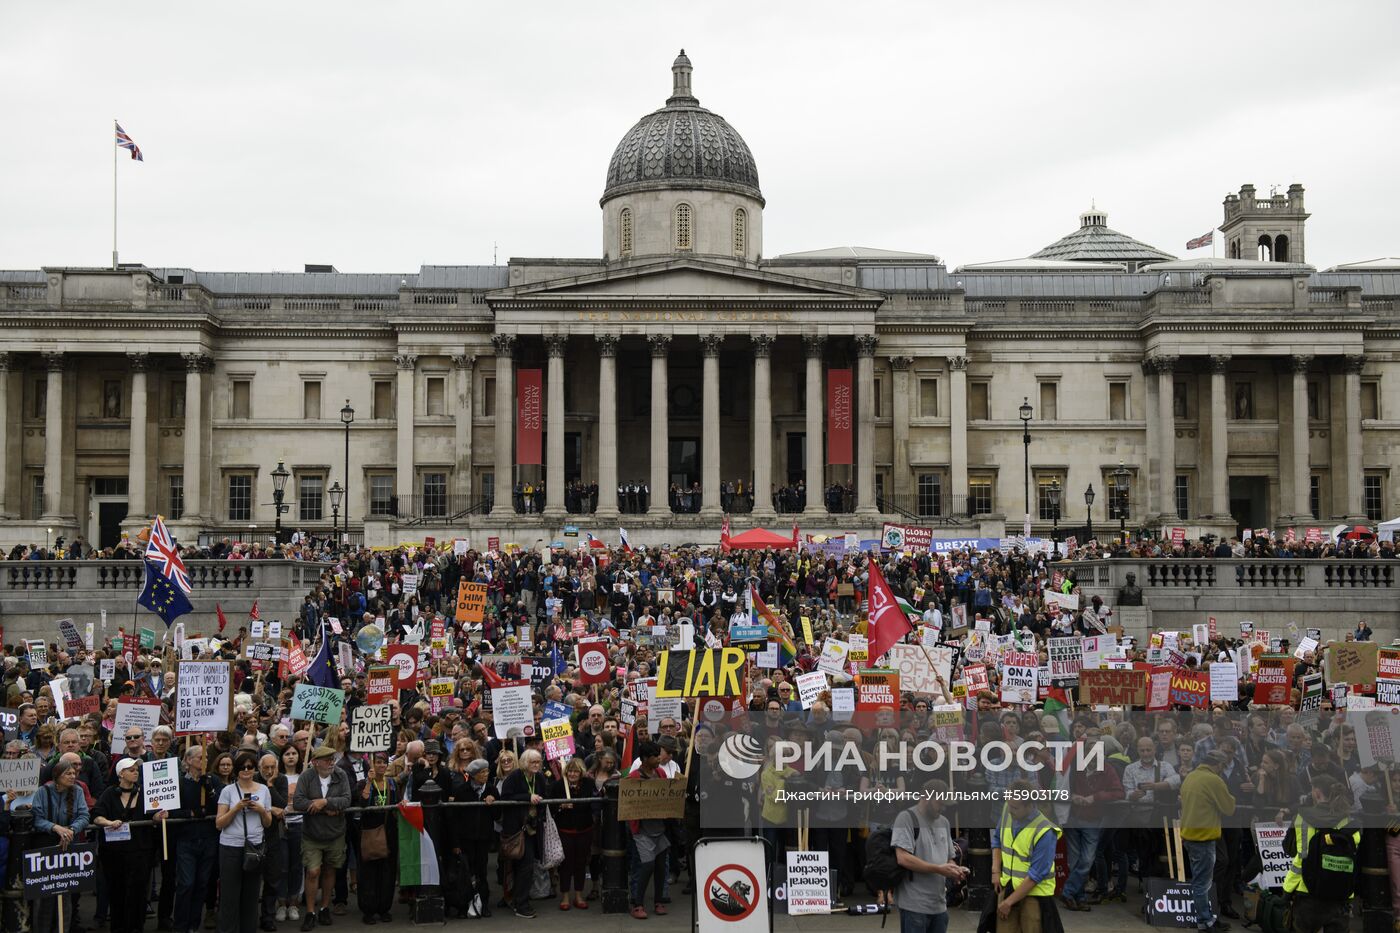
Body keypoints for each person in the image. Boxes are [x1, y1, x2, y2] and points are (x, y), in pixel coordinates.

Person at [91, 757, 166, 933]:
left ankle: (136, 928)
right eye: (131, 769)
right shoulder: (109, 793)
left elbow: (153, 815)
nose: (135, 772)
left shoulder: (146, 792)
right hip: (114, 853)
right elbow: (96, 815)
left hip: (140, 851)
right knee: (117, 892)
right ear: (121, 774)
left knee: (138, 892)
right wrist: (108, 822)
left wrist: (158, 816)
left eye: (136, 769)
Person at [1282, 775, 1359, 933]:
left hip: (1308, 893)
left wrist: (1287, 892)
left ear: (1317, 793)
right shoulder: (1350, 821)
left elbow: (1295, 854)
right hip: (1341, 894)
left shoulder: (1302, 818)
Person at [891, 778, 967, 933]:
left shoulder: (944, 822)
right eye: (940, 803)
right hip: (914, 905)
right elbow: (903, 858)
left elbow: (948, 858)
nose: (943, 808)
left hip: (939, 904)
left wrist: (955, 870)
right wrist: (939, 869)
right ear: (926, 797)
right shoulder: (906, 818)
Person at [293, 745, 353, 931]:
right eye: (326, 760)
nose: (330, 763)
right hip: (312, 834)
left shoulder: (340, 774)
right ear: (315, 762)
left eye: (332, 759)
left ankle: (325, 907)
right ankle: (310, 912)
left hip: (335, 833)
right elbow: (298, 802)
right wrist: (320, 806)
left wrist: (324, 802)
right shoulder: (306, 777)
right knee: (313, 872)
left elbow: (346, 800)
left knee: (329, 870)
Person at [213, 751, 272, 933]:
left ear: (255, 769)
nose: (246, 770)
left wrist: (262, 810)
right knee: (229, 896)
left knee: (251, 895)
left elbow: (268, 823)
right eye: (242, 767)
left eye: (250, 767)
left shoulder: (264, 790)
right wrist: (236, 808)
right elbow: (219, 823)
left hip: (254, 847)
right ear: (236, 771)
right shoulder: (228, 791)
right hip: (231, 847)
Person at [1179, 750, 1236, 933]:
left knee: (1201, 880)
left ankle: (1208, 918)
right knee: (1202, 883)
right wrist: (1232, 797)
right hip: (1203, 838)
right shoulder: (1214, 780)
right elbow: (1229, 808)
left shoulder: (1191, 776)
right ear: (1218, 765)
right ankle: (1205, 922)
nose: (1222, 770)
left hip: (1190, 835)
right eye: (1222, 767)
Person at [173, 745, 220, 933]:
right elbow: (170, 809)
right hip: (186, 840)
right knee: (186, 883)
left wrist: (209, 789)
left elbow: (220, 807)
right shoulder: (179, 782)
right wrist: (190, 813)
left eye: (207, 756)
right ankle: (180, 926)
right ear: (189, 760)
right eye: (201, 757)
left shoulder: (212, 780)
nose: (205, 760)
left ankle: (193, 924)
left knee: (202, 884)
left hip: (208, 839)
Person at [623, 741, 670, 920]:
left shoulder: (661, 773)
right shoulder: (633, 778)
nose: (659, 758)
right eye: (655, 756)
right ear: (644, 759)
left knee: (659, 866)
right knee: (647, 865)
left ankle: (658, 901)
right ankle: (638, 904)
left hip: (659, 827)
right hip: (642, 830)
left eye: (659, 755)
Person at [500, 748, 547, 919]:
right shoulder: (514, 777)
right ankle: (521, 904)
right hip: (517, 830)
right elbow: (505, 798)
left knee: (526, 865)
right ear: (524, 763)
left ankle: (518, 899)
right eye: (533, 762)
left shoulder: (540, 777)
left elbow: (545, 795)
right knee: (523, 865)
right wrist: (528, 797)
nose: (536, 765)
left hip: (533, 828)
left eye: (538, 762)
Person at [353, 752, 399, 924]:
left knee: (387, 872)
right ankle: (368, 910)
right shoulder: (363, 783)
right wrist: (368, 783)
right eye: (377, 762)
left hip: (388, 831)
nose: (381, 765)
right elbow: (363, 804)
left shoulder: (392, 783)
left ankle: (384, 908)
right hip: (369, 831)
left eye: (383, 763)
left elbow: (397, 803)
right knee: (368, 872)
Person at [449, 758, 497, 917]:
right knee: (466, 873)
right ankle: (464, 905)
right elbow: (455, 819)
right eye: (482, 772)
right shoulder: (462, 791)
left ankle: (483, 904)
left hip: (483, 839)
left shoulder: (491, 789)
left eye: (487, 771)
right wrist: (455, 842)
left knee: (481, 873)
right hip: (466, 839)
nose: (486, 774)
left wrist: (493, 802)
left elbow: (498, 815)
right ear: (474, 775)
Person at [550, 757, 594, 912]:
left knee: (581, 863)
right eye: (570, 770)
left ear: (581, 772)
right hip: (565, 831)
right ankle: (565, 896)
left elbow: (592, 803)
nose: (573, 774)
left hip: (584, 830)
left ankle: (579, 895)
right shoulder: (557, 785)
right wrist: (561, 806)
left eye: (576, 771)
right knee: (566, 864)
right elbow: (550, 807)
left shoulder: (588, 784)